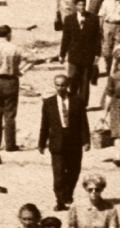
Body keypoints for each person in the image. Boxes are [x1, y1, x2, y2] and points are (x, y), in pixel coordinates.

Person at [38, 74, 90, 211]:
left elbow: (83, 122)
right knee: (59, 174)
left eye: (63, 85)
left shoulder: (77, 100)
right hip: (57, 142)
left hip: (73, 141)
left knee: (74, 171)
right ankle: (60, 201)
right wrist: (42, 143)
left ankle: (68, 194)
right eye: (58, 85)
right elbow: (45, 124)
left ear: (67, 85)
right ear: (54, 86)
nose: (60, 88)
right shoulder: (48, 103)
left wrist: (86, 141)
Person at [59, 0, 100, 106]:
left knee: (85, 81)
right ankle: (72, 101)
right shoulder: (69, 19)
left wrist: (97, 54)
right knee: (72, 79)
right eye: (79, 5)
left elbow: (97, 38)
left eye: (83, 5)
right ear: (75, 6)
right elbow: (66, 38)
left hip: (88, 55)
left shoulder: (93, 19)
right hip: (74, 55)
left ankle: (83, 104)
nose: (82, 7)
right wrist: (62, 54)